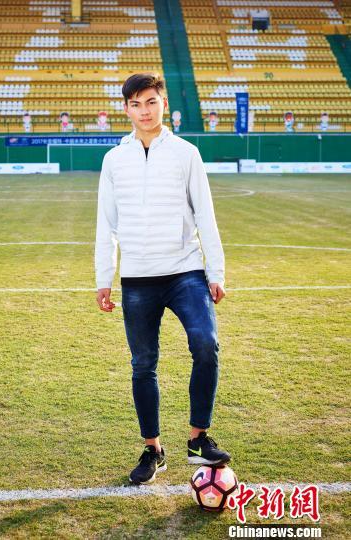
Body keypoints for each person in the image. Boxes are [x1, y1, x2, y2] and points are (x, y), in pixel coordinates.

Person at [95, 72, 230, 485]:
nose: (144, 111)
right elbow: (106, 223)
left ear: (162, 104)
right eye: (135, 104)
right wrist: (104, 277)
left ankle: (198, 439)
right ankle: (153, 449)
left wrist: (215, 271)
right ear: (126, 109)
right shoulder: (114, 159)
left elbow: (205, 213)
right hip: (138, 278)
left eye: (150, 102)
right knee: (143, 365)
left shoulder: (186, 153)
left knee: (205, 344)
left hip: (185, 272)